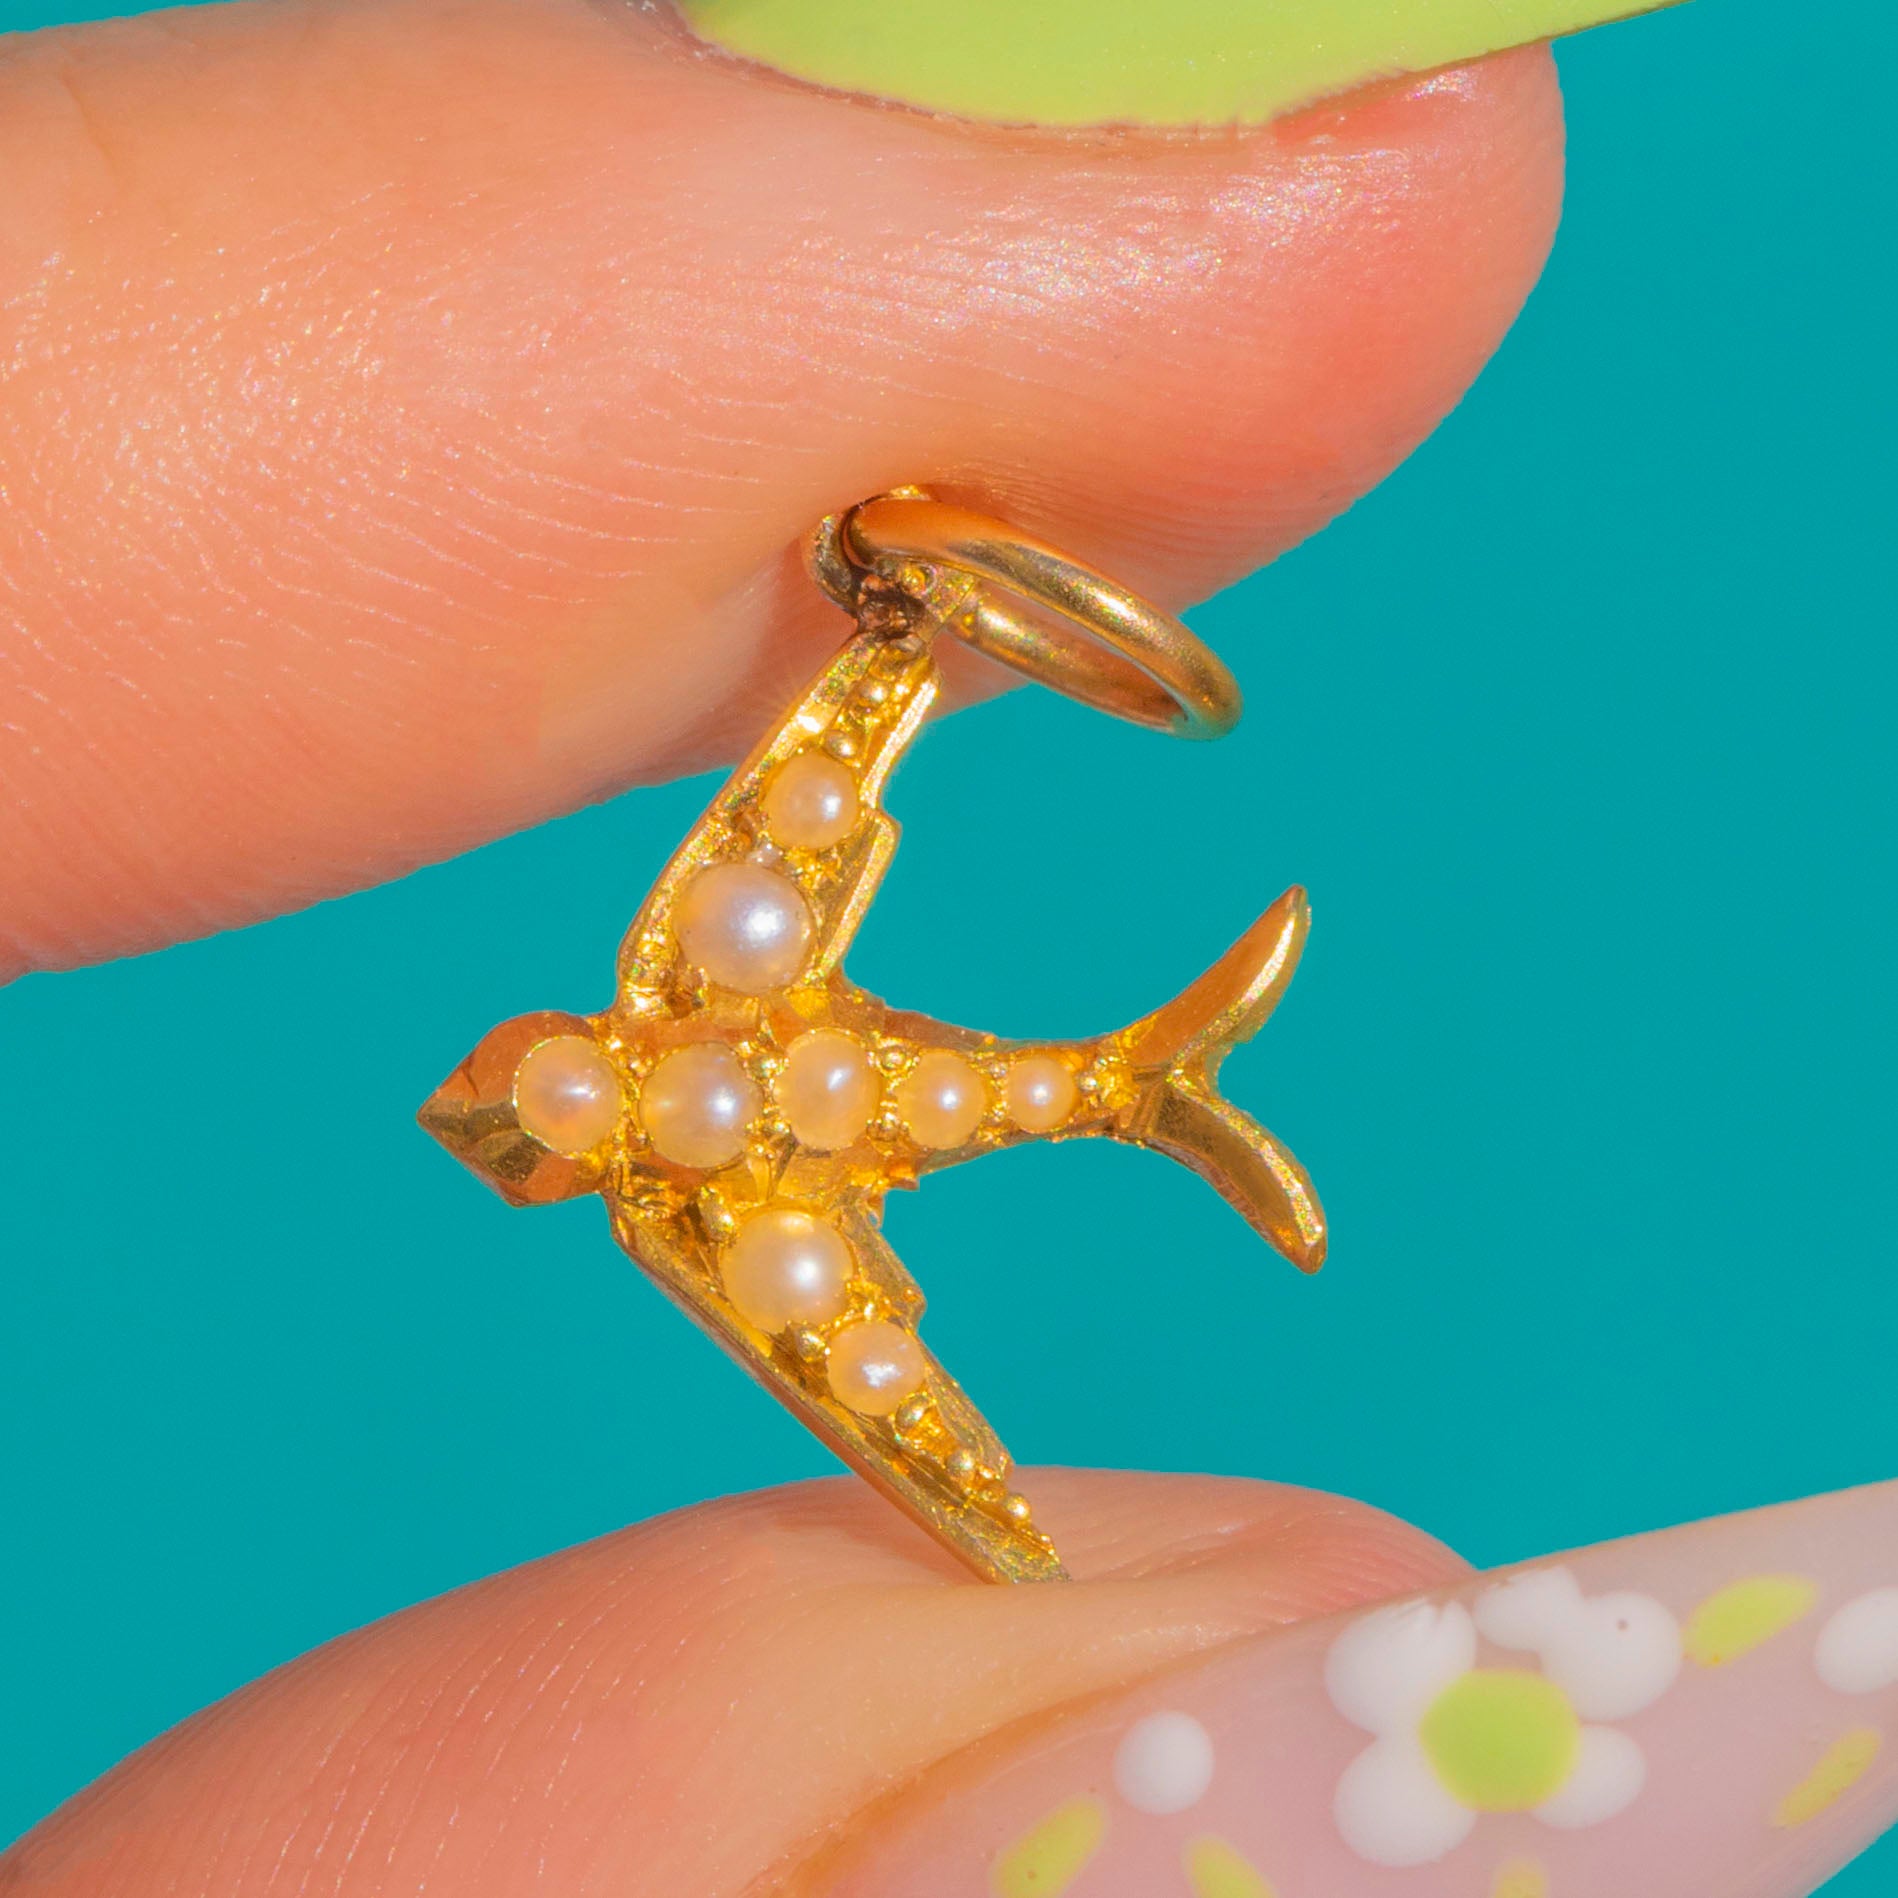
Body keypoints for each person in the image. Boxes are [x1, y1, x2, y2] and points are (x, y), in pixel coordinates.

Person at [2, 2, 1892, 1893]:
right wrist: (974, 1503)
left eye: (523, 1084)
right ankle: (1141, 1091)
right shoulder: (713, 1109)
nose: (533, 1098)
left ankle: (1139, 1088)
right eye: (531, 1107)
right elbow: (859, 1340)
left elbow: (806, 834)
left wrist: (893, 648)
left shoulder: (709, 1088)